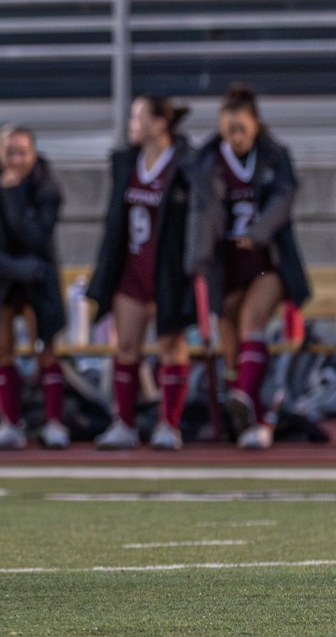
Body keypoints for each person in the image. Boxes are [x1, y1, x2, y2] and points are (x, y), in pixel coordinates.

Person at [186, 85, 313, 450]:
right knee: (229, 329)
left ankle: (243, 393)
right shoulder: (207, 160)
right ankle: (251, 417)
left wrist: (257, 233)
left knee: (251, 322)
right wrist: (198, 256)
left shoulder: (275, 157)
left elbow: (282, 201)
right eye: (229, 130)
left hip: (265, 260)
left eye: (241, 128)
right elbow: (201, 216)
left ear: (256, 124)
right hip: (227, 263)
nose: (236, 136)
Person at [86, 96, 196, 451]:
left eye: (138, 116)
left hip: (167, 271)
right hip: (131, 269)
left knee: (171, 345)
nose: (131, 123)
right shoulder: (125, 162)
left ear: (159, 123)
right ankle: (126, 423)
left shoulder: (185, 163)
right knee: (127, 346)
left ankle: (170, 424)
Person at [0, 126, 68, 450]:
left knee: (47, 349)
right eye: (10, 151)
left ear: (33, 154)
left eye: (22, 152)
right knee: (3, 348)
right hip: (0, 283)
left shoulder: (48, 191)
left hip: (39, 282)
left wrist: (13, 196)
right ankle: (10, 422)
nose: (16, 159)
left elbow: (36, 238)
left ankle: (53, 422)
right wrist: (17, 268)